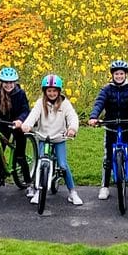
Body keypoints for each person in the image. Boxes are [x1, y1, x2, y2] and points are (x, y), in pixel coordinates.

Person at [18, 73, 82, 205]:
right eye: (49, 91)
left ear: (59, 91)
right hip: (43, 138)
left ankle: (72, 192)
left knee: (63, 166)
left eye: (54, 91)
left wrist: (72, 128)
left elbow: (72, 117)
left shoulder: (65, 104)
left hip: (59, 138)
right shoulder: (40, 104)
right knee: (40, 162)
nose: (52, 93)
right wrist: (27, 125)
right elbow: (33, 115)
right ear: (45, 91)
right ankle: (37, 191)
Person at [88, 59, 128, 202]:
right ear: (112, 75)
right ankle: (105, 186)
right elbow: (99, 103)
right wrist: (94, 116)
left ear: (126, 75)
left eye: (121, 74)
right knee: (108, 157)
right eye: (116, 74)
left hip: (127, 127)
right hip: (111, 127)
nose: (119, 76)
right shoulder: (106, 89)